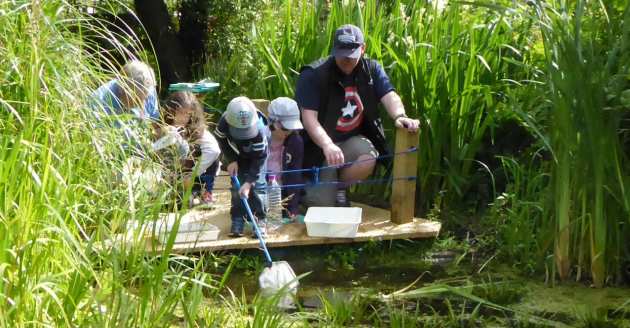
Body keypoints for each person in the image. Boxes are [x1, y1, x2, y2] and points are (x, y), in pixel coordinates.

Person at [295, 24, 420, 207]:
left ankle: (339, 187)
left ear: (363, 49)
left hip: (350, 143)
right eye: (342, 54)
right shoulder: (314, 74)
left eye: (351, 55)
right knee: (321, 205)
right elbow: (308, 119)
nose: (346, 60)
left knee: (368, 156)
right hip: (319, 149)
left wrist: (400, 116)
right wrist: (327, 144)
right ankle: (310, 190)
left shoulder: (372, 70)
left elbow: (389, 95)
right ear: (334, 50)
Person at [214, 96, 270, 238]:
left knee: (258, 187)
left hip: (257, 157)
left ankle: (259, 220)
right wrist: (231, 160)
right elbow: (221, 139)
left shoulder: (260, 131)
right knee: (236, 188)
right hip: (238, 155)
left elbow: (260, 158)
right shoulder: (224, 123)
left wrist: (249, 182)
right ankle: (238, 218)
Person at [157, 91, 221, 207]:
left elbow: (214, 150)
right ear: (171, 111)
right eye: (181, 113)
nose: (183, 118)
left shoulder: (197, 130)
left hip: (194, 175)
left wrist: (192, 174)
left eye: (187, 114)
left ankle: (204, 191)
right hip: (171, 174)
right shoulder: (163, 127)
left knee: (184, 203)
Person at [91, 60, 159, 149]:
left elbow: (152, 125)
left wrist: (161, 133)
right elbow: (97, 146)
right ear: (123, 89)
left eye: (145, 97)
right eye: (137, 99)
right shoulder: (99, 103)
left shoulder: (148, 89)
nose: (142, 103)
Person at [266, 97, 304, 220]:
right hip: (260, 189)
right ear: (272, 123)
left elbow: (295, 176)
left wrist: (293, 208)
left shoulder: (295, 142)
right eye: (285, 128)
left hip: (281, 191)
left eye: (292, 128)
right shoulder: (260, 138)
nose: (289, 132)